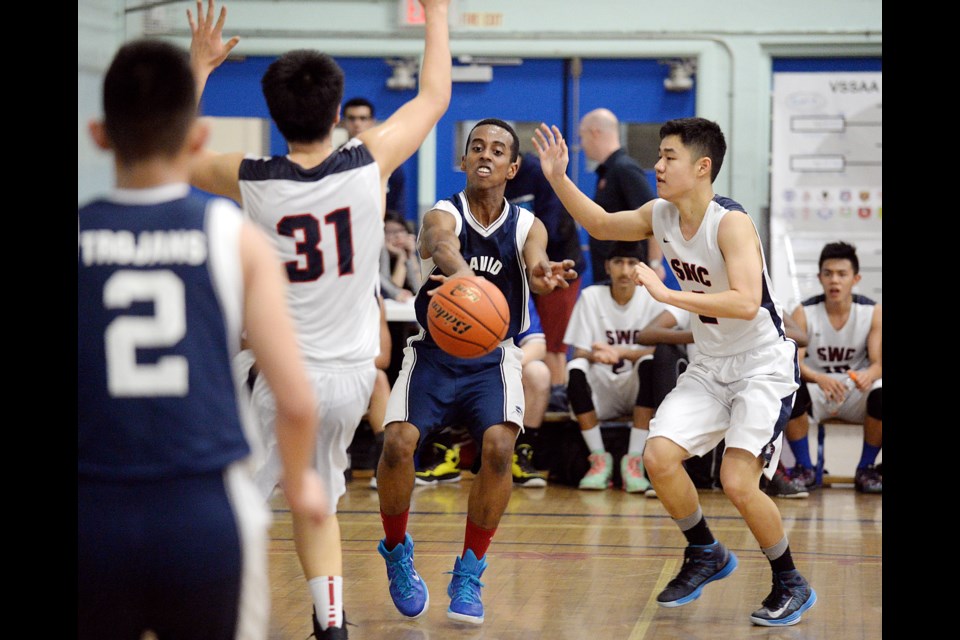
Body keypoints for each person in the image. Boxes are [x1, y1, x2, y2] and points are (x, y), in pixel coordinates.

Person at [186, 1, 451, 636]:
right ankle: (330, 624)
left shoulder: (251, 177)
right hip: (352, 378)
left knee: (229, 508)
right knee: (317, 503)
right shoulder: (369, 160)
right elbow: (436, 93)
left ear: (272, 116)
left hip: (282, 378)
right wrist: (437, 12)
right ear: (338, 113)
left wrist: (197, 67)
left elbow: (170, 151)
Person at [78, 38, 327, 640]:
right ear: (197, 140)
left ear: (99, 135)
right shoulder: (231, 233)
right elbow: (294, 399)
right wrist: (299, 482)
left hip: (94, 509)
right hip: (203, 508)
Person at [534, 117, 816, 627]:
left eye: (668, 157)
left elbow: (748, 301)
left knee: (737, 481)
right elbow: (599, 223)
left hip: (761, 366)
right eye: (659, 156)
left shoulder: (730, 221)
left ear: (702, 166)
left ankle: (790, 580)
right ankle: (705, 550)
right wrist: (558, 177)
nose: (657, 166)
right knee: (657, 458)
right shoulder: (660, 214)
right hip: (711, 366)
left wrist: (666, 296)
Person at [376, 119, 576, 625]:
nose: (486, 155)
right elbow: (440, 245)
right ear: (463, 161)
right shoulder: (443, 212)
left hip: (494, 358)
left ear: (512, 167)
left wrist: (543, 276)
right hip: (434, 355)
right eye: (476, 148)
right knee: (398, 443)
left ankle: (470, 568)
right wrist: (469, 285)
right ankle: (397, 551)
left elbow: (534, 264)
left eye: (499, 150)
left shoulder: (528, 224)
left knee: (499, 447)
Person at [562, 240, 678, 493]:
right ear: (607, 267)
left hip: (636, 385)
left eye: (632, 264)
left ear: (641, 268)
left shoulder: (654, 299)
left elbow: (663, 353)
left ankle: (634, 460)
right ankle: (599, 458)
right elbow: (579, 350)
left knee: (650, 363)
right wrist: (598, 356)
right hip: (603, 385)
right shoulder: (591, 296)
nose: (625, 271)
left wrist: (622, 352)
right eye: (618, 263)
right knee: (575, 368)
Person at [785, 241, 882, 493]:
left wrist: (868, 375)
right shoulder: (804, 312)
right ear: (819, 278)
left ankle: (866, 468)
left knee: (882, 392)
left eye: (842, 274)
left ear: (856, 278)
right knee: (786, 388)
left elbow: (878, 363)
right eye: (828, 274)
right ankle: (804, 468)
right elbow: (796, 364)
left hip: (854, 390)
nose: (834, 281)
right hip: (818, 388)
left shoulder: (872, 311)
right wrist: (820, 378)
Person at [505, 151, 586, 412]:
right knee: (527, 335)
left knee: (553, 343)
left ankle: (556, 402)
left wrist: (534, 262)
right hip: (517, 264)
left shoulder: (536, 173)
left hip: (558, 263)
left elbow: (546, 226)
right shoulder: (493, 180)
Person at [578, 108, 663, 283]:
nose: (581, 144)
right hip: (608, 274)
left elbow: (654, 215)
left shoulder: (624, 169)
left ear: (595, 133)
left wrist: (654, 263)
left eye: (582, 137)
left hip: (626, 277)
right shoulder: (607, 172)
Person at [342, 97, 407, 217]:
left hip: (381, 225)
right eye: (352, 118)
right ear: (343, 123)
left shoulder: (389, 157)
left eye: (363, 118)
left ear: (372, 122)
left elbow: (397, 197)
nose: (357, 124)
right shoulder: (337, 157)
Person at [381, 209, 421, 302]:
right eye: (391, 232)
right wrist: (401, 256)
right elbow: (396, 287)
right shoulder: (379, 258)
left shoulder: (408, 252)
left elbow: (419, 288)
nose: (398, 236)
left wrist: (411, 256)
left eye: (401, 230)